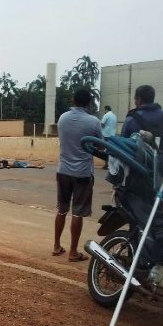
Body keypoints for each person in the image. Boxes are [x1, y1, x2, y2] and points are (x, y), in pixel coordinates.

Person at [53, 89, 103, 262]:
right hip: (82, 173)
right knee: (77, 213)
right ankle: (73, 252)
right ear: (88, 102)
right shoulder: (94, 122)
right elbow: (101, 146)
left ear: (73, 100)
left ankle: (56, 246)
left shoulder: (62, 118)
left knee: (61, 209)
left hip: (63, 170)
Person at [121, 85, 163, 157]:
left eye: (135, 99)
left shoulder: (131, 120)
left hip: (136, 166)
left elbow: (122, 147)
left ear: (138, 99)